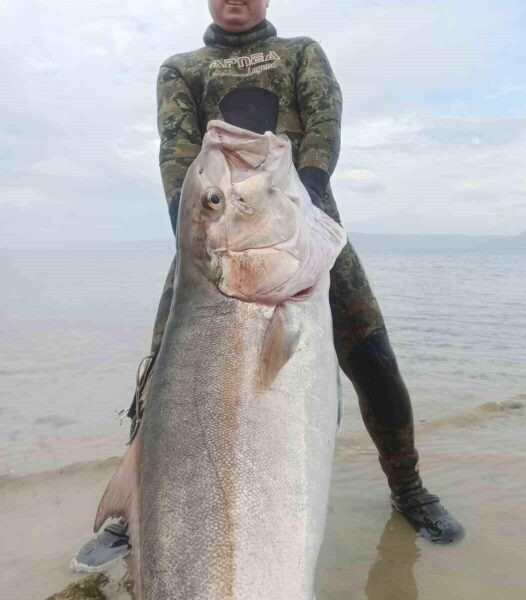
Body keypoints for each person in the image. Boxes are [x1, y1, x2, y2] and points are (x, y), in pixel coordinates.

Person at [72, 0, 463, 573]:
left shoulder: (300, 52)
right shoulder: (181, 67)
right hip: (216, 243)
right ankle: (136, 509)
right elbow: (175, 151)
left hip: (305, 228)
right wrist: (207, 243)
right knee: (164, 370)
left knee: (373, 361)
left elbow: (324, 123)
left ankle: (409, 489)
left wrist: (301, 193)